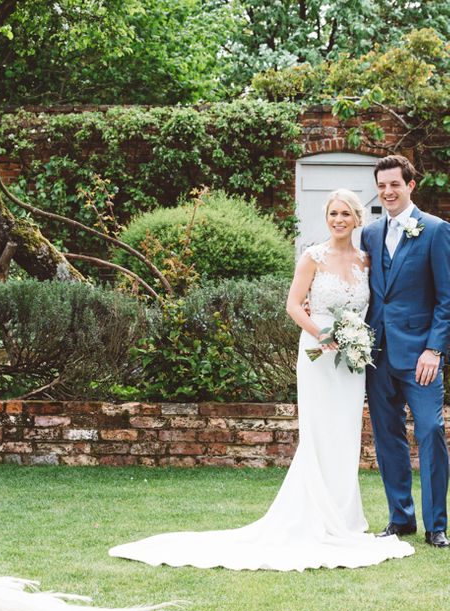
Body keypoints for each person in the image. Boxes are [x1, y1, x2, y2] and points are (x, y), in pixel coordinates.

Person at [109, 190, 414, 570]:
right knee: (319, 434)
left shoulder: (367, 261)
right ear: (328, 217)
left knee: (347, 434)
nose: (338, 219)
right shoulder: (312, 257)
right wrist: (322, 334)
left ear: (356, 219)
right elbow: (292, 305)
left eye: (345, 214)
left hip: (351, 363)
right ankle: (315, 516)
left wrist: (355, 339)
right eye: (333, 213)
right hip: (318, 356)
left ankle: (345, 519)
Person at [361, 155, 450, 548]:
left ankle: (436, 525)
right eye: (381, 185)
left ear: (411, 185)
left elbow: (446, 299)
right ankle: (401, 520)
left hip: (420, 357)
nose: (387, 191)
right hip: (376, 353)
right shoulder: (369, 233)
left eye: (394, 184)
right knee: (387, 436)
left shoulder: (435, 230)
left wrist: (434, 349)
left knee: (430, 430)